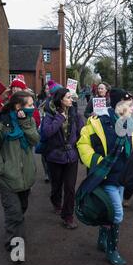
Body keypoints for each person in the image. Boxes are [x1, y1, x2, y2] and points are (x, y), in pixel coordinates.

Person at [77, 88, 133, 265]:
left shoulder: (129, 123)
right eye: (129, 104)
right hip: (106, 177)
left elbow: (131, 147)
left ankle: (102, 239)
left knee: (109, 211)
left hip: (122, 178)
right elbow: (82, 144)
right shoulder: (98, 121)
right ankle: (112, 250)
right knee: (117, 214)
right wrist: (98, 163)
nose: (132, 108)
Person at [0, 91, 40, 258]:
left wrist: (25, 123)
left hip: (25, 179)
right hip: (8, 180)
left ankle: (15, 228)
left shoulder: (29, 121)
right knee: (15, 214)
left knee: (21, 209)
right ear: (18, 106)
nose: (33, 108)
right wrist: (3, 169)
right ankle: (16, 249)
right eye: (30, 105)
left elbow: (35, 140)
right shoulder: (1, 125)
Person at [41, 88, 84, 229]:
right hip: (54, 156)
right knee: (56, 185)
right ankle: (56, 202)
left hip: (71, 156)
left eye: (71, 97)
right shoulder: (50, 115)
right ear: (60, 100)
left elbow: (81, 133)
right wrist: (60, 118)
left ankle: (68, 216)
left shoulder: (75, 114)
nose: (71, 100)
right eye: (68, 97)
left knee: (70, 188)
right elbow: (46, 132)